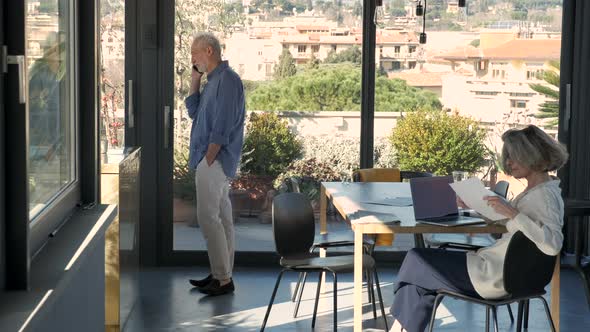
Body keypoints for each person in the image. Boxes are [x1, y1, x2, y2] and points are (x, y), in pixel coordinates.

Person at [389, 125, 569, 332]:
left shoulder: (544, 196)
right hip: (501, 270)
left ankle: (399, 327)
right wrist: (478, 208)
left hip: (497, 277)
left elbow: (553, 244)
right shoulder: (538, 190)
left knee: (416, 260)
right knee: (418, 276)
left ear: (532, 156)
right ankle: (399, 329)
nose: (509, 163)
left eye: (514, 156)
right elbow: (519, 230)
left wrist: (512, 213)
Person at [186, 32, 246, 296]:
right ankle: (222, 275)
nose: (192, 58)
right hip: (211, 159)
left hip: (215, 160)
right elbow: (195, 114)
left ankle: (222, 278)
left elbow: (223, 124)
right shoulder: (212, 81)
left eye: (194, 53)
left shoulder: (228, 81)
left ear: (209, 51)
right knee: (221, 218)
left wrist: (209, 157)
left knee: (208, 217)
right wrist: (194, 82)